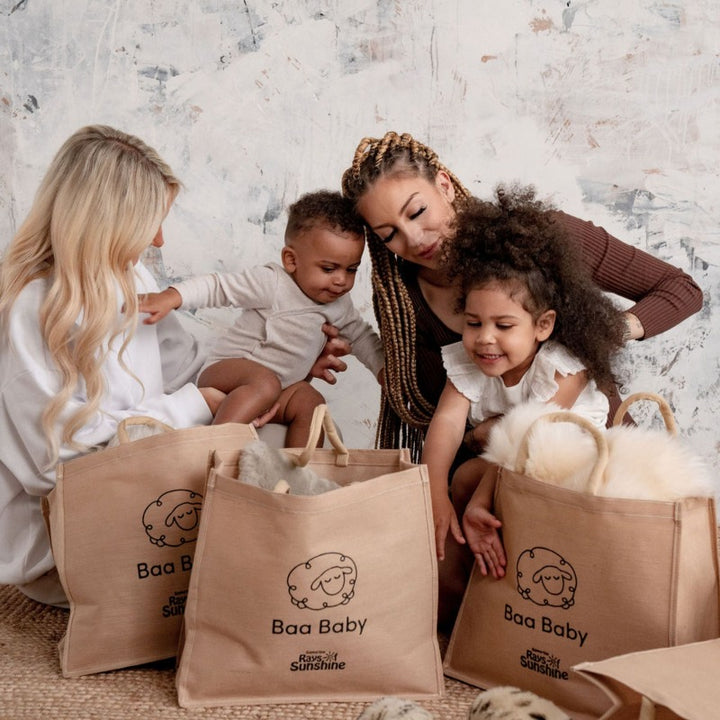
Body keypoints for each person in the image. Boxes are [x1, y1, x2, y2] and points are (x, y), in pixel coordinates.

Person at [338, 130, 703, 625]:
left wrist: (605, 332)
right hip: (485, 472)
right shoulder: (403, 296)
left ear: (443, 184)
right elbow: (428, 403)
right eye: (389, 234)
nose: (413, 239)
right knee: (440, 587)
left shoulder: (543, 238)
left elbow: (679, 288)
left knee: (618, 601)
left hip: (582, 456)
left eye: (416, 212)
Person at [0, 125, 226, 606]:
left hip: (141, 493)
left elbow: (188, 367)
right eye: (151, 222)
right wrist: (193, 407)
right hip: (68, 540)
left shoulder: (131, 275)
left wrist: (281, 362)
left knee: (270, 420)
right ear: (108, 221)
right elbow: (58, 466)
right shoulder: (31, 308)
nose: (160, 240)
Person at [421, 185, 626, 570]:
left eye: (503, 325)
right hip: (511, 468)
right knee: (463, 476)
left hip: (572, 473)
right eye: (473, 322)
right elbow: (446, 424)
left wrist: (481, 500)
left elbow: (528, 439)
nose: (485, 338)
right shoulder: (469, 363)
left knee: (480, 481)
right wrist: (434, 496)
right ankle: (481, 580)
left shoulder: (563, 368)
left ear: (543, 325)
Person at [139, 190, 384, 447]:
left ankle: (293, 475)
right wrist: (171, 296)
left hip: (276, 392)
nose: (341, 280)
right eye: (328, 268)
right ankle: (211, 450)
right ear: (291, 260)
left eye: (351, 269)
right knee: (265, 383)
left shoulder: (339, 305)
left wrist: (383, 370)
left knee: (312, 403)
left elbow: (362, 336)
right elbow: (219, 288)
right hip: (227, 375)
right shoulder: (272, 283)